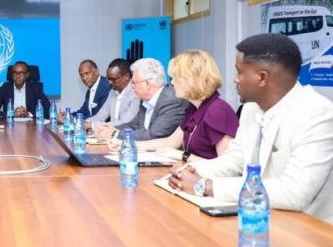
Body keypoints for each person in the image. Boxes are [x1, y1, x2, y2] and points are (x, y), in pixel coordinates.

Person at [169, 34, 333, 222]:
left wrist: (205, 185)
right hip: (259, 215)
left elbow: (293, 193)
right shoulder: (251, 108)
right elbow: (234, 161)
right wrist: (191, 170)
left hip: (304, 228)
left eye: (240, 72)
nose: (235, 79)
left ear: (262, 77)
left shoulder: (317, 114)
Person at [134, 50, 238, 160]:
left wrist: (183, 155)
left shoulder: (218, 111)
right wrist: (131, 144)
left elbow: (227, 164)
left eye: (175, 78)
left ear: (191, 80)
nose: (172, 82)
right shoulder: (194, 108)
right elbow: (170, 142)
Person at [96, 58, 187, 141]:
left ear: (147, 83)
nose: (132, 86)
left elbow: (154, 134)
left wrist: (115, 134)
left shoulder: (171, 100)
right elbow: (133, 125)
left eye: (134, 82)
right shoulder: (145, 99)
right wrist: (111, 128)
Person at [87, 58, 140, 126]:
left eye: (113, 79)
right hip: (110, 131)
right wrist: (84, 123)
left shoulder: (136, 93)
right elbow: (100, 116)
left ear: (126, 76)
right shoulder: (112, 92)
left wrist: (93, 125)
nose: (110, 82)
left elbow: (125, 123)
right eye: (108, 79)